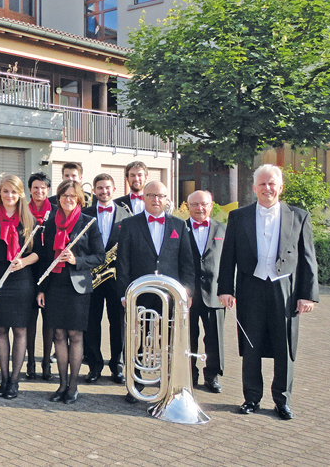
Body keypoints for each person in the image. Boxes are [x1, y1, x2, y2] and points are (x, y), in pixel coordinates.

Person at [218, 164, 318, 420]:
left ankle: (282, 401)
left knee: (284, 346)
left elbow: (308, 259)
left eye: (272, 183)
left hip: (284, 288)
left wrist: (308, 294)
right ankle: (251, 398)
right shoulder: (239, 217)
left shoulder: (299, 216)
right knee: (251, 345)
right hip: (250, 286)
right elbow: (228, 255)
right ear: (254, 188)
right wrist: (225, 289)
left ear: (281, 187)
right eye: (262, 184)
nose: (267, 188)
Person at [115, 180, 194, 404]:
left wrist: (187, 293)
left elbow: (187, 264)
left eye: (160, 196)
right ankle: (135, 383)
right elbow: (123, 263)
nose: (156, 200)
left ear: (167, 199)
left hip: (170, 296)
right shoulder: (130, 224)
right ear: (143, 198)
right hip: (138, 294)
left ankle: (167, 382)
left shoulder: (179, 225)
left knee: (169, 340)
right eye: (151, 195)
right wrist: (124, 293)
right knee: (135, 339)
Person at [36, 180, 104, 404]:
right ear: (58, 197)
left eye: (72, 197)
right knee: (58, 335)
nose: (68, 199)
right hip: (55, 285)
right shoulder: (51, 223)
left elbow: (99, 257)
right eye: (64, 195)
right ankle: (62, 384)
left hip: (78, 286)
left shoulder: (88, 223)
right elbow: (45, 258)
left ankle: (73, 386)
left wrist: (77, 260)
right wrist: (42, 289)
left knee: (75, 336)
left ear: (79, 200)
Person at [0, 174, 39, 400]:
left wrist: (23, 261)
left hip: (21, 280)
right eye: (5, 191)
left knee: (20, 330)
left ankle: (15, 380)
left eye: (14, 191)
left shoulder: (29, 220)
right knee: (0, 329)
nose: (9, 196)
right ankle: (3, 378)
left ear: (21, 194)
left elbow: (38, 253)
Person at [82, 173, 130, 384]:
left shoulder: (126, 216)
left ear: (114, 189)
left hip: (116, 278)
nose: (104, 191)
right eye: (100, 188)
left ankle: (117, 366)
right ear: (94, 190)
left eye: (107, 187)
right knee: (91, 322)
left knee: (117, 323)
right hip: (91, 275)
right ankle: (94, 365)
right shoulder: (84, 214)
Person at [185, 190, 226, 393]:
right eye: (195, 204)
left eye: (204, 204)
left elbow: (230, 263)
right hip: (188, 295)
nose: (199, 208)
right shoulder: (180, 228)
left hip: (215, 293)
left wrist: (229, 291)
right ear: (187, 206)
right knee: (188, 336)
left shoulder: (224, 229)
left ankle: (212, 375)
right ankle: (189, 372)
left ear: (211, 205)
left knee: (214, 338)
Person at [25, 172, 53, 381]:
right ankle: (31, 362)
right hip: (29, 269)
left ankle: (46, 362)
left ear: (48, 190)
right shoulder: (23, 212)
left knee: (50, 320)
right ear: (30, 190)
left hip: (51, 270)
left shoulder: (57, 212)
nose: (39, 191)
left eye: (43, 187)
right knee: (30, 319)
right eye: (35, 187)